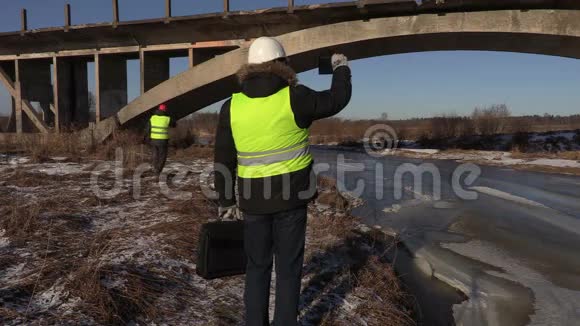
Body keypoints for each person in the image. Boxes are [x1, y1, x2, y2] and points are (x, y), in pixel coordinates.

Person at [214, 36, 352, 326]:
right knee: (288, 270)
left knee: (256, 268)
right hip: (291, 199)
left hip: (252, 202)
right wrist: (340, 68)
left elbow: (223, 158)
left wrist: (226, 200)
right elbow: (336, 100)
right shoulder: (295, 96)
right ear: (282, 64)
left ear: (250, 66)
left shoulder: (232, 106)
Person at [148, 103, 175, 175]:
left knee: (155, 154)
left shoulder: (152, 118)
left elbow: (148, 129)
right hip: (163, 141)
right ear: (165, 110)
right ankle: (158, 170)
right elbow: (174, 124)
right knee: (162, 156)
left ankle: (154, 167)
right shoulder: (167, 118)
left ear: (158, 110)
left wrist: (147, 138)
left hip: (153, 140)